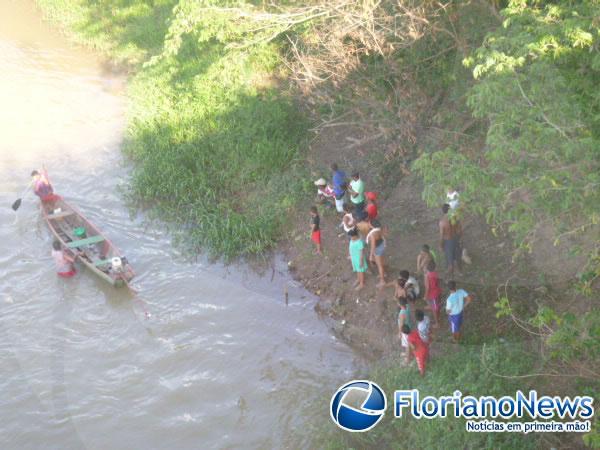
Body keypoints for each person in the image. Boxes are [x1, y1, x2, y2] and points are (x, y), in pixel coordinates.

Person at [439, 204, 462, 277]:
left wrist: (440, 245)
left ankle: (450, 270)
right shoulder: (455, 218)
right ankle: (457, 271)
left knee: (449, 256)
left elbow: (442, 235)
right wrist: (460, 238)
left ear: (443, 211)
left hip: (448, 240)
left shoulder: (442, 222)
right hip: (455, 238)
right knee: (456, 254)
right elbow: (459, 229)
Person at [366, 219, 386, 287]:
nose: (368, 224)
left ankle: (382, 281)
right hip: (381, 245)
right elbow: (383, 236)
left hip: (377, 249)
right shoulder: (379, 229)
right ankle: (384, 273)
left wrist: (371, 255)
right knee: (381, 262)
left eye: (369, 223)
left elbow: (373, 246)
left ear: (372, 225)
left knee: (379, 265)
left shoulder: (372, 234)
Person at [423, 260, 442, 327]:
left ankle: (437, 323)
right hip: (438, 291)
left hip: (433, 294)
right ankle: (434, 307)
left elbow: (427, 287)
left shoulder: (427, 276)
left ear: (427, 267)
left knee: (434, 309)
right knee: (437, 304)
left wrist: (425, 296)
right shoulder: (436, 273)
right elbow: (438, 282)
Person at [397, 297, 412, 363]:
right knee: (408, 343)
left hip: (405, 331)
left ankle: (407, 359)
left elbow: (401, 325)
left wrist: (400, 333)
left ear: (400, 304)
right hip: (409, 326)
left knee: (407, 345)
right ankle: (407, 354)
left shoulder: (402, 314)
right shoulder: (408, 306)